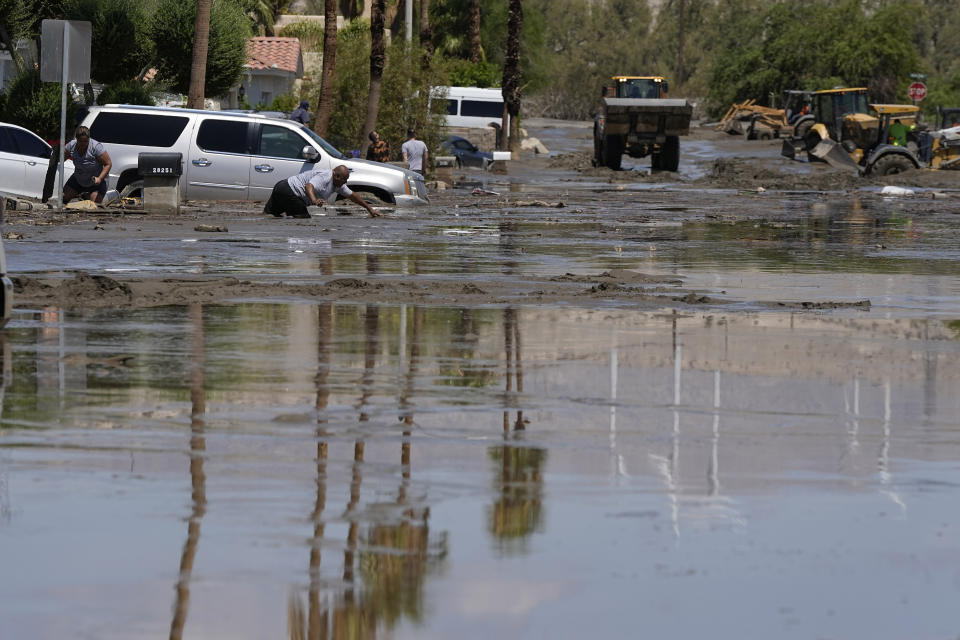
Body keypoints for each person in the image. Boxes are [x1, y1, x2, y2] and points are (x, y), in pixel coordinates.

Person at [263, 164, 381, 218]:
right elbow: (309, 186)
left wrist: (369, 208)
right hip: (289, 190)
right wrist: (314, 200)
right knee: (303, 219)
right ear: (336, 176)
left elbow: (353, 196)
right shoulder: (326, 176)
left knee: (269, 216)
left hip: (282, 187)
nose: (345, 182)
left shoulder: (339, 185)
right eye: (344, 179)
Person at [63, 125, 112, 204]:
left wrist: (99, 178)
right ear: (77, 139)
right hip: (78, 179)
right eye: (80, 141)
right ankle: (84, 195)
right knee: (63, 198)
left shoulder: (96, 147)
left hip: (96, 181)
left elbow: (108, 164)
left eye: (85, 141)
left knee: (93, 205)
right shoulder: (71, 146)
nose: (83, 144)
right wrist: (57, 153)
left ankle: (104, 196)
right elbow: (61, 159)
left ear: (89, 139)